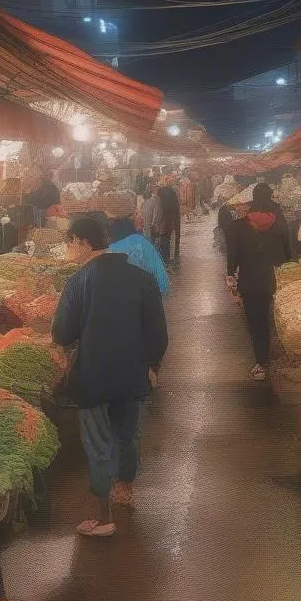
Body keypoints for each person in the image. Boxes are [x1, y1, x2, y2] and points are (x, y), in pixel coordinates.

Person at [52, 215, 168, 537]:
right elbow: (158, 335)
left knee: (98, 442)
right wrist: (152, 365)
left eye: (69, 243)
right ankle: (125, 489)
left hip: (94, 376)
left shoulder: (78, 282)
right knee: (128, 433)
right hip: (132, 374)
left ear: (83, 243)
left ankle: (103, 517)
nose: (69, 249)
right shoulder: (142, 279)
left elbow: (62, 333)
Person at [226, 183, 294, 381]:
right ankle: (275, 357)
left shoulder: (238, 226)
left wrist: (231, 277)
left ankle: (261, 362)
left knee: (256, 322)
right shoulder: (280, 223)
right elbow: (289, 254)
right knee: (273, 319)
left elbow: (232, 259)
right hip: (274, 280)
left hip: (250, 282)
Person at [106, 192, 169, 295]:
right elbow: (161, 281)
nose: (139, 217)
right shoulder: (140, 243)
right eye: (136, 214)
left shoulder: (107, 248)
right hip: (142, 298)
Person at [157, 180, 181, 263]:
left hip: (165, 223)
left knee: (164, 239)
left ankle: (165, 258)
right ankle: (171, 257)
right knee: (171, 239)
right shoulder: (172, 194)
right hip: (172, 221)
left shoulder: (160, 200)